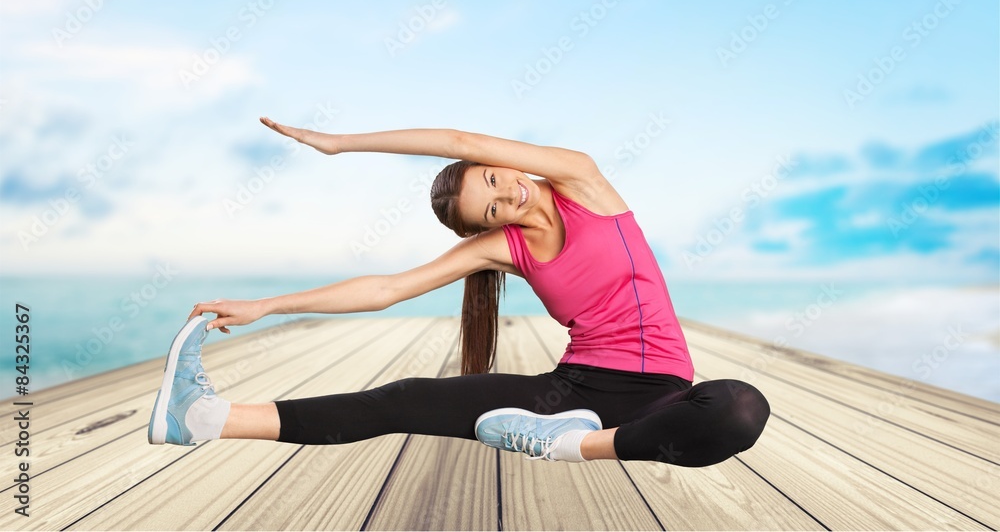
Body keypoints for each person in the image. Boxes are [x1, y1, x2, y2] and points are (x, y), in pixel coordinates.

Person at [148, 120, 770, 466]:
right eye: (494, 207)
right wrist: (267, 306)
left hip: (658, 397)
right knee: (401, 399)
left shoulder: (581, 182)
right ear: (488, 228)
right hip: (571, 390)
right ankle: (205, 418)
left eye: (498, 180)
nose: (510, 196)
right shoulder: (505, 247)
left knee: (736, 410)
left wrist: (340, 144)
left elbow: (460, 143)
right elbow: (387, 289)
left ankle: (575, 448)